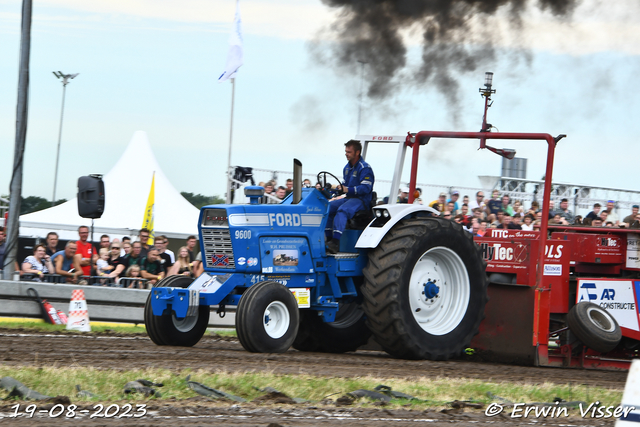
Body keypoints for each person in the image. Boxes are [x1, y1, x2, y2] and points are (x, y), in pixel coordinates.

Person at [325, 140, 374, 254]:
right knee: (327, 207)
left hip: (361, 200)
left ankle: (335, 242)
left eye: (349, 152)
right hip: (348, 198)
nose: (346, 154)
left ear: (357, 153)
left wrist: (348, 190)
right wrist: (336, 191)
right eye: (346, 151)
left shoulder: (365, 168)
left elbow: (365, 189)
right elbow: (344, 187)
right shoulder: (347, 168)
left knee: (343, 210)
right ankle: (328, 240)